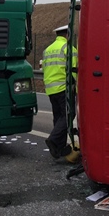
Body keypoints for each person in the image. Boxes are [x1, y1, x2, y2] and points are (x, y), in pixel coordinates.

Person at [42, 25, 78, 161]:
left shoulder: (48, 50)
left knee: (59, 118)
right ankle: (53, 139)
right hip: (63, 88)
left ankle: (58, 148)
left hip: (51, 89)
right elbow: (74, 70)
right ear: (67, 35)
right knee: (69, 114)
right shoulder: (69, 49)